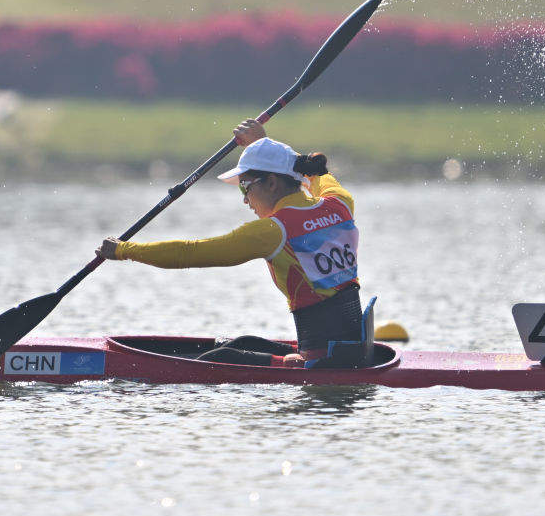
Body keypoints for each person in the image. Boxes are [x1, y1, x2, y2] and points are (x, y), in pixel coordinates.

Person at [96, 119, 361, 368]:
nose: (245, 199)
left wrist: (123, 250)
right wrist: (262, 146)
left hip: (319, 363)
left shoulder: (273, 231)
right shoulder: (340, 202)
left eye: (245, 187)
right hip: (351, 350)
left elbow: (190, 253)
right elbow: (315, 172)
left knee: (222, 357)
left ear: (271, 183)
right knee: (243, 344)